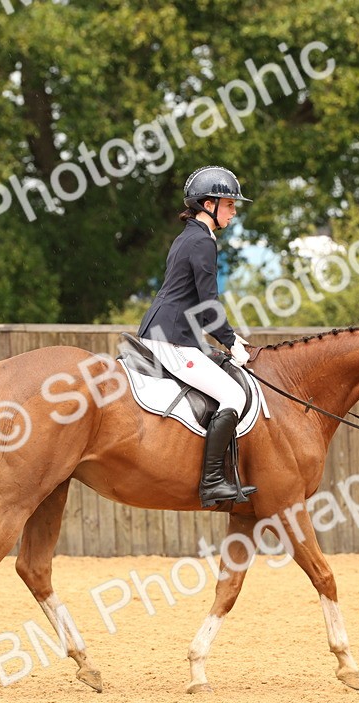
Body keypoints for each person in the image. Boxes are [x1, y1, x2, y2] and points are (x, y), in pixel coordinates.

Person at [136, 165, 257, 507]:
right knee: (233, 395)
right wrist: (231, 342)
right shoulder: (201, 241)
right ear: (208, 204)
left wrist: (225, 340)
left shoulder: (190, 236)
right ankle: (213, 482)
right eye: (230, 205)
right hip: (171, 337)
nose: (234, 212)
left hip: (170, 331)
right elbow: (207, 302)